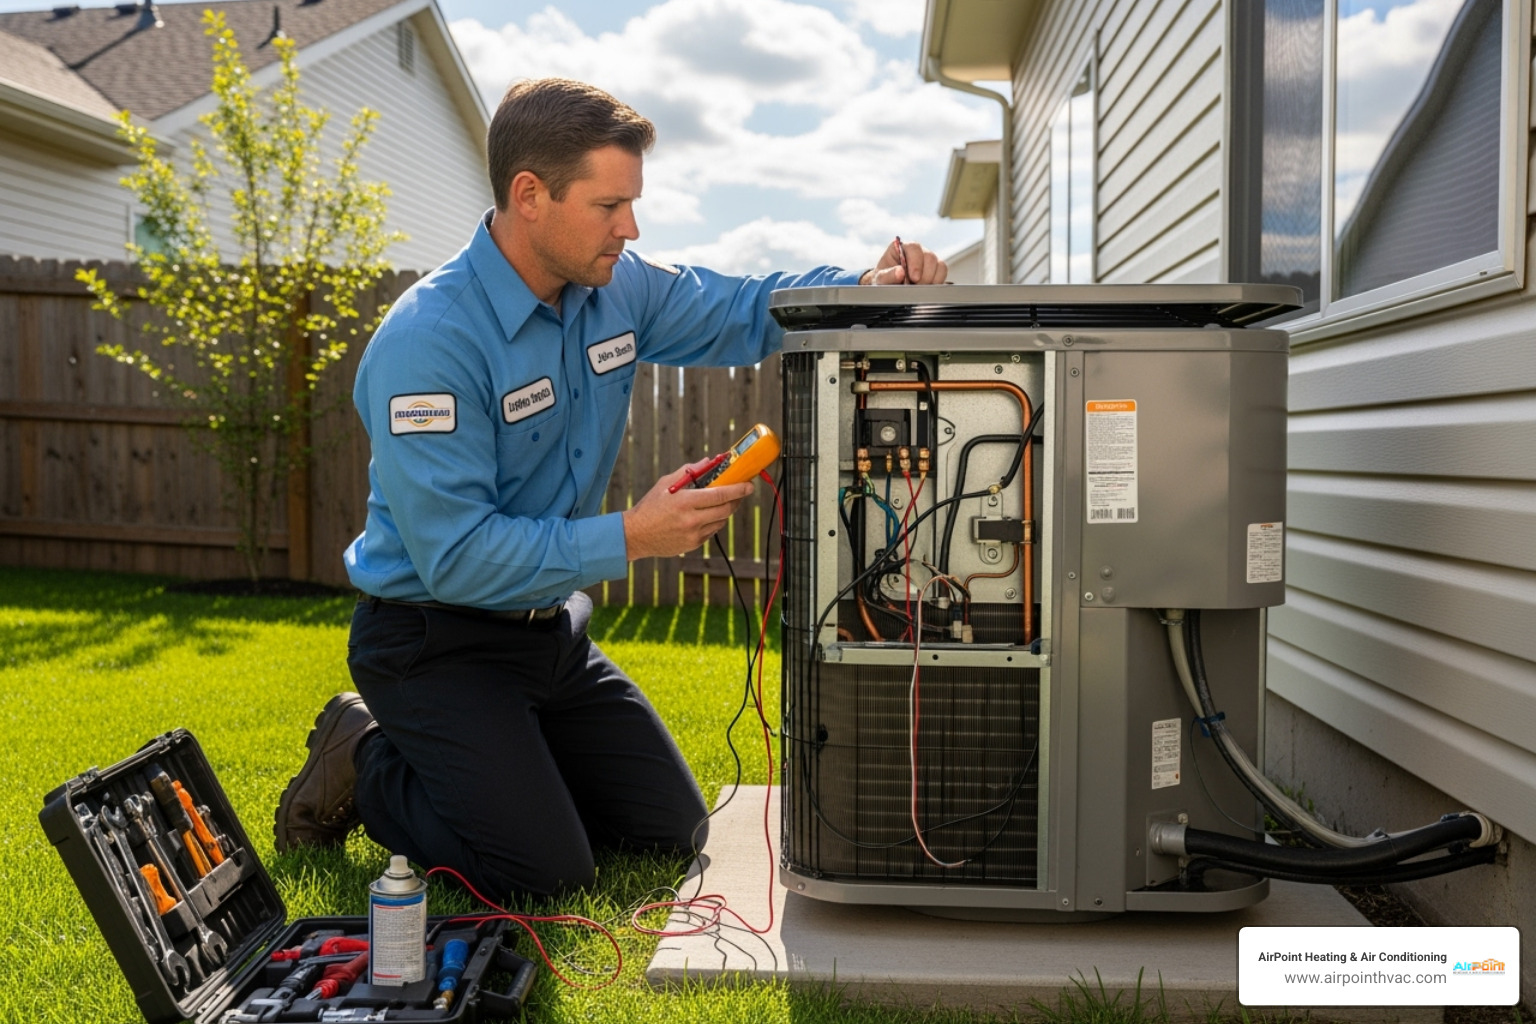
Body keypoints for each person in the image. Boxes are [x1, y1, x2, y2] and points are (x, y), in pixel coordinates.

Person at [273, 78, 947, 900]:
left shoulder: (615, 286)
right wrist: (632, 535)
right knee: (543, 873)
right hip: (433, 641)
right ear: (530, 195)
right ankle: (366, 753)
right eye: (609, 205)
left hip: (548, 634)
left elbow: (743, 310)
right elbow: (454, 559)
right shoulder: (430, 343)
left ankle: (515, 769)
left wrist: (860, 286)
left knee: (672, 832)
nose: (631, 227)